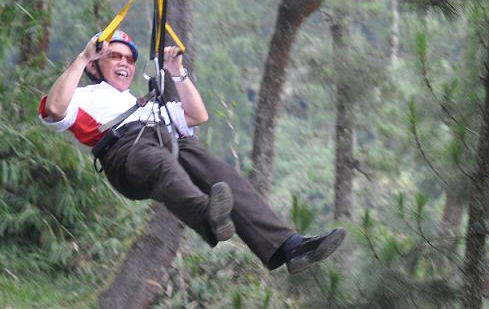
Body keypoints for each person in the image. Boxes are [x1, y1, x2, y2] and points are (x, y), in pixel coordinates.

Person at [38, 30, 345, 274]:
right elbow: (53, 108)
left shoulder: (146, 102)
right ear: (95, 65)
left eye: (130, 59)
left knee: (221, 174)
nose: (124, 64)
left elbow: (197, 116)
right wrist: (81, 58)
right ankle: (209, 216)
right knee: (160, 163)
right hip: (125, 151)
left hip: (162, 137)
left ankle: (288, 246)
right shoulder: (82, 96)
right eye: (114, 57)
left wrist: (176, 72)